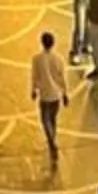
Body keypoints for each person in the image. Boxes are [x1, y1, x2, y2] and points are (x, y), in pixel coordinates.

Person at [32, 30, 71, 160]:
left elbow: (35, 76)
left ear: (42, 43)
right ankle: (52, 139)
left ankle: (51, 141)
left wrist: (33, 90)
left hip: (44, 95)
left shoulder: (37, 59)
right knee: (53, 120)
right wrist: (65, 93)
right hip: (56, 95)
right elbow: (62, 78)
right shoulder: (59, 59)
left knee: (45, 120)